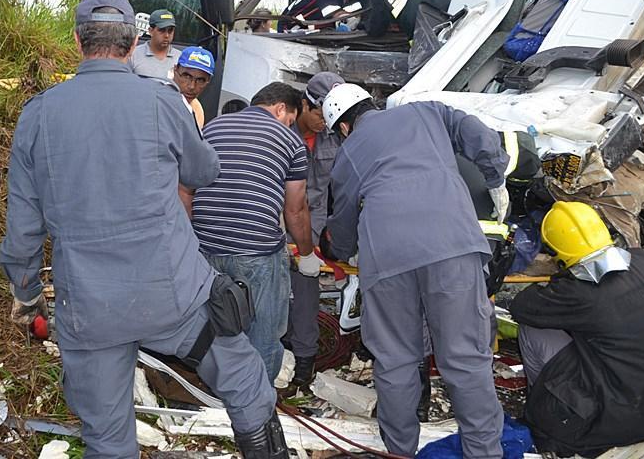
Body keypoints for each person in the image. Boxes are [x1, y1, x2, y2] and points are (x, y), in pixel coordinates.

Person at [0, 0, 285, 459]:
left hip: (91, 307)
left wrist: (27, 293)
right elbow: (203, 171)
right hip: (175, 295)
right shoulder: (163, 101)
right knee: (247, 385)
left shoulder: (38, 114)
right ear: (133, 43)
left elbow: (23, 229)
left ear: (76, 41)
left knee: (109, 439)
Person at [322, 83, 508, 458]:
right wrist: (495, 175)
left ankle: (400, 452)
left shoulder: (351, 152)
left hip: (388, 259)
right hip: (453, 244)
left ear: (342, 128)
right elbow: (478, 134)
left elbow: (340, 224)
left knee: (396, 361)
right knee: (466, 360)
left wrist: (338, 250)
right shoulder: (427, 112)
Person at [510, 201, 644, 458]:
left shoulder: (580, 294)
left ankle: (545, 400)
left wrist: (561, 276)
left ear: (558, 251)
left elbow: (521, 307)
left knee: (533, 329)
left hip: (612, 422)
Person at [191, 82, 314, 383]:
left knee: (215, 326)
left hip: (205, 247)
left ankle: (215, 394)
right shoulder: (290, 140)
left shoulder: (213, 127)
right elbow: (295, 210)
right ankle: (257, 406)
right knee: (265, 331)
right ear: (281, 108)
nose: (289, 126)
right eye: (289, 118)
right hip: (256, 252)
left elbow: (188, 186)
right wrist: (307, 253)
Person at [284, 72, 344, 387]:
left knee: (307, 292)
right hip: (279, 223)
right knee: (273, 291)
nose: (325, 120)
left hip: (314, 228)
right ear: (305, 104)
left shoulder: (336, 135)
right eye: (320, 112)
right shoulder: (282, 129)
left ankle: (304, 360)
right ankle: (276, 348)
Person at [172, 45, 214, 129]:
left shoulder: (197, 110)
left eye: (200, 80)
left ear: (207, 82)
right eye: (186, 76)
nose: (192, 86)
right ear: (175, 70)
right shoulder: (156, 101)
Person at [130, 8, 178, 78]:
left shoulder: (180, 58)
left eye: (170, 31)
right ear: (150, 31)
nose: (167, 35)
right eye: (162, 30)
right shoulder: (133, 55)